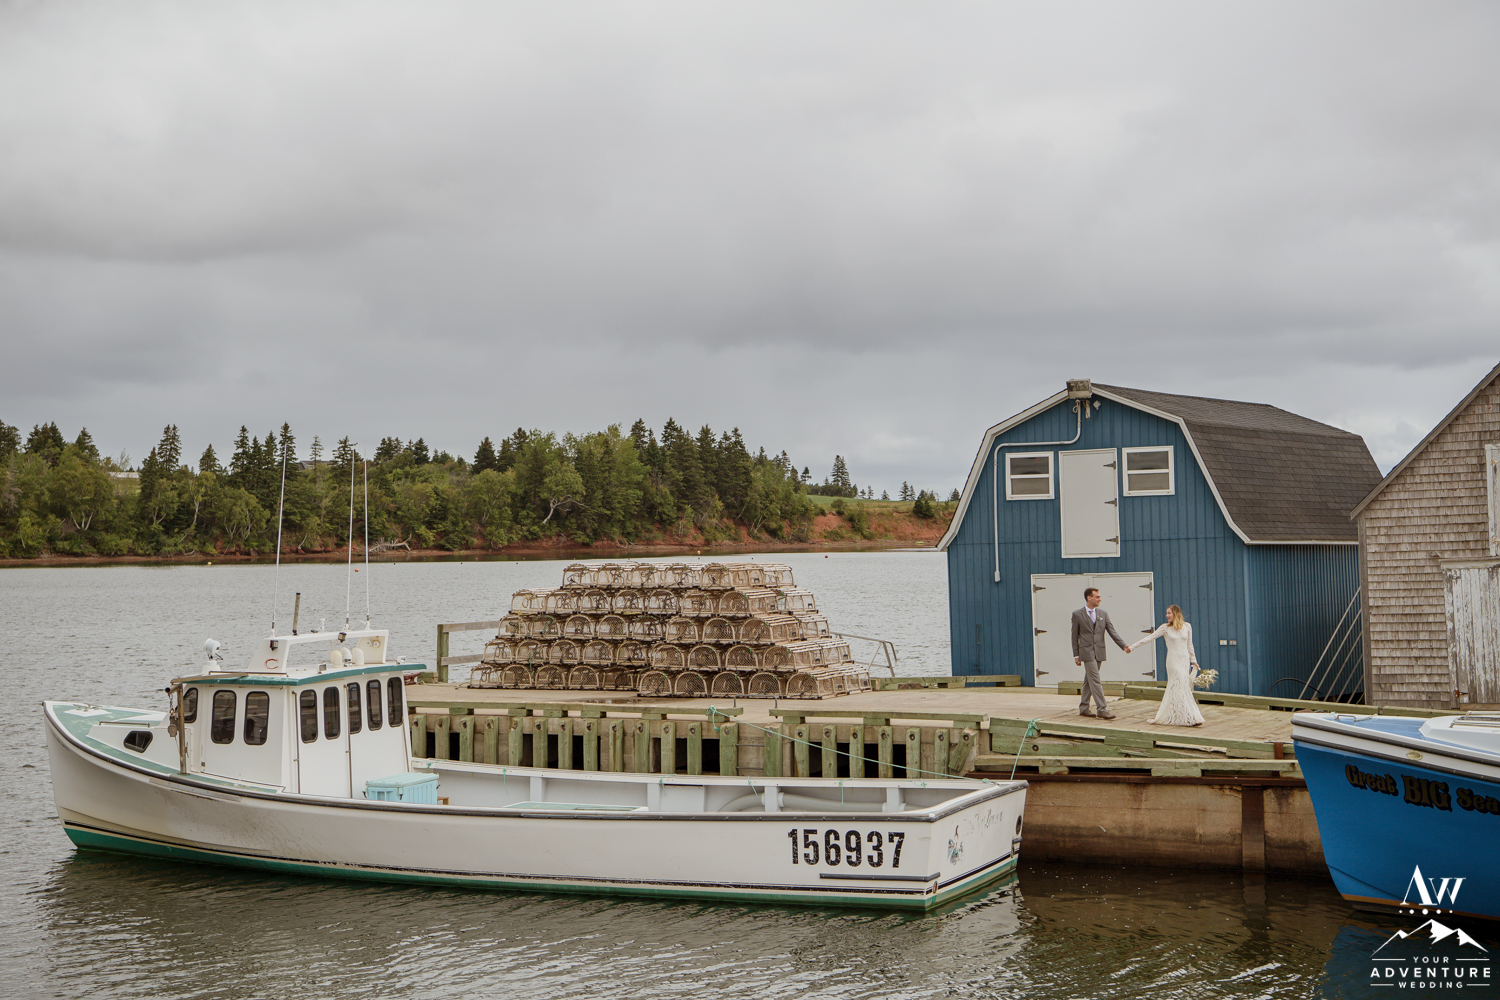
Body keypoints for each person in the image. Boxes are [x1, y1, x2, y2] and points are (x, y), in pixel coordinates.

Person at [1128, 604, 1204, 727]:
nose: (1166, 615)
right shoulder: (1165, 628)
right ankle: (1187, 716)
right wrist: (1132, 647)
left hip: (1184, 660)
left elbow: (1190, 645)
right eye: (1167, 613)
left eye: (1169, 613)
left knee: (1183, 686)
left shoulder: (1187, 626)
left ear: (1175, 613)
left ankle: (1185, 715)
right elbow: (1149, 638)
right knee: (1178, 683)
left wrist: (1193, 660)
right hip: (1173, 661)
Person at [1071, 587, 1130, 720]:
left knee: (1089, 680)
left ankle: (1084, 707)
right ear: (1089, 598)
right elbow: (1074, 636)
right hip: (1086, 652)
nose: (1100, 599)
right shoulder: (1077, 614)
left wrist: (1123, 645)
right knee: (1095, 680)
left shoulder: (1103, 613)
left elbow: (1112, 631)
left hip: (1099, 651)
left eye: (1099, 596)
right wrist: (1076, 655)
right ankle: (1102, 709)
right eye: (1097, 596)